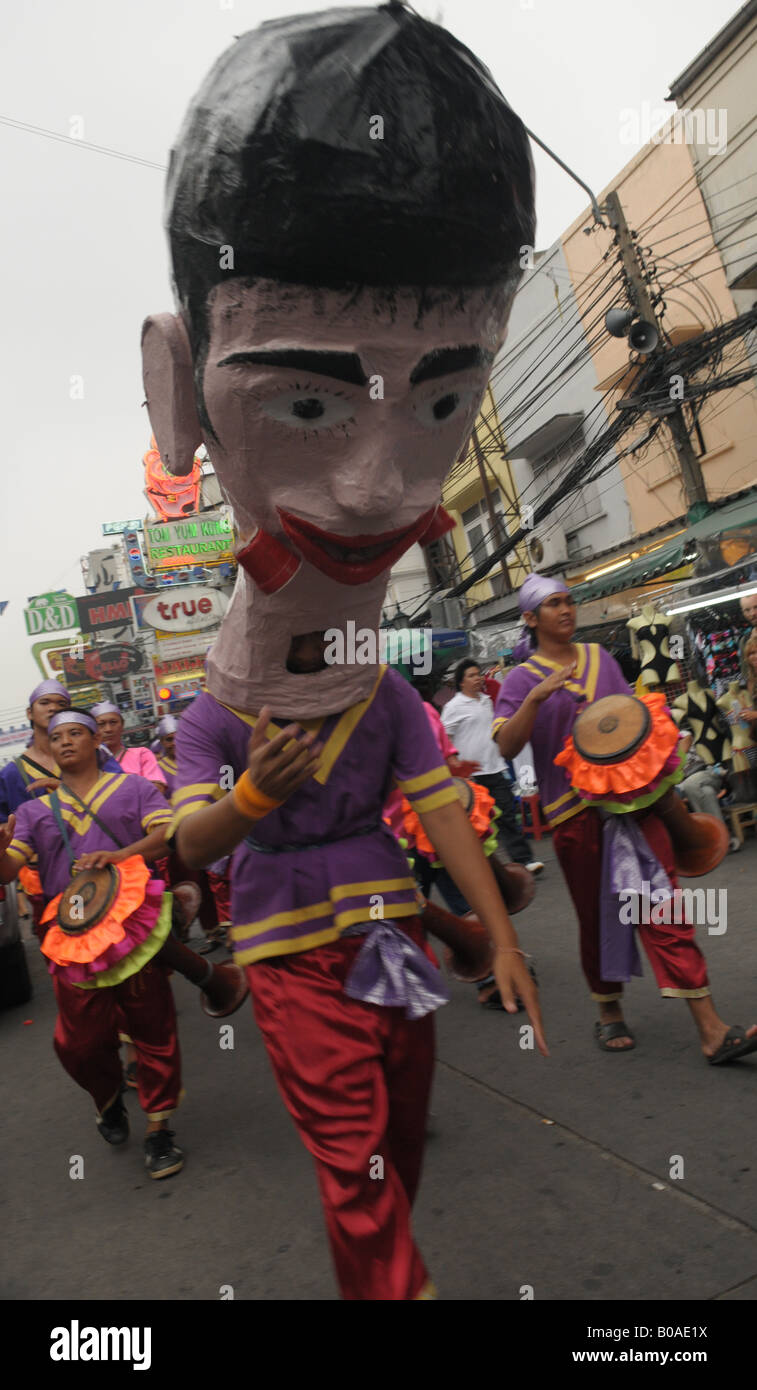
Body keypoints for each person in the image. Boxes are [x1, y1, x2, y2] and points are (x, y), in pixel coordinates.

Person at [143, 5, 547, 1299]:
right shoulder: (210, 714)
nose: (379, 489)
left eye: (443, 398)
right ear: (177, 390)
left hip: (392, 936)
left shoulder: (378, 684)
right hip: (285, 943)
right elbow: (180, 846)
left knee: (400, 1129)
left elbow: (434, 794)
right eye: (306, 401)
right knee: (356, 1161)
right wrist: (255, 794)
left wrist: (492, 929)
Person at [493, 572, 757, 1064]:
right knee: (599, 918)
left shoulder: (599, 660)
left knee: (665, 911)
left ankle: (711, 1029)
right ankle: (608, 1006)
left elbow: (633, 717)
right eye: (554, 604)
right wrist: (536, 698)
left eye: (569, 601)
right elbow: (507, 744)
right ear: (530, 619)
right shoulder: (518, 680)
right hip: (574, 815)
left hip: (635, 805)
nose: (566, 610)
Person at [0, 709, 185, 1177]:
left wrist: (120, 855)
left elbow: (166, 837)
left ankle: (159, 1129)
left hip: (132, 928)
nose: (64, 742)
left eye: (75, 733)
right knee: (79, 1044)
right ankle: (108, 1103)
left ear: (95, 743)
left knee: (153, 1028)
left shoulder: (135, 790)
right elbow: (9, 870)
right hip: (73, 938)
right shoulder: (32, 811)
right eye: (56, 736)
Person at [442, 659, 543, 874]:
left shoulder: (487, 701)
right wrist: (455, 767)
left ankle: (524, 861)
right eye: (471, 675)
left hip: (495, 768)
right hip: (471, 775)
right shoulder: (453, 707)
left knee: (506, 815)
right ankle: (482, 870)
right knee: (477, 825)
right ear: (461, 682)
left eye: (478, 674)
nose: (478, 678)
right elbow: (444, 740)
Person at [677, 731, 738, 851]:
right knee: (707, 792)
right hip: (685, 786)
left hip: (705, 774)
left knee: (692, 784)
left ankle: (711, 837)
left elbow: (682, 750)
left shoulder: (683, 734)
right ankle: (723, 838)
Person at [92, 703, 166, 793]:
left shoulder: (141, 754)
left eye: (113, 722)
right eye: (101, 724)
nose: (108, 729)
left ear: (122, 725)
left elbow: (157, 789)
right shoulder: (89, 764)